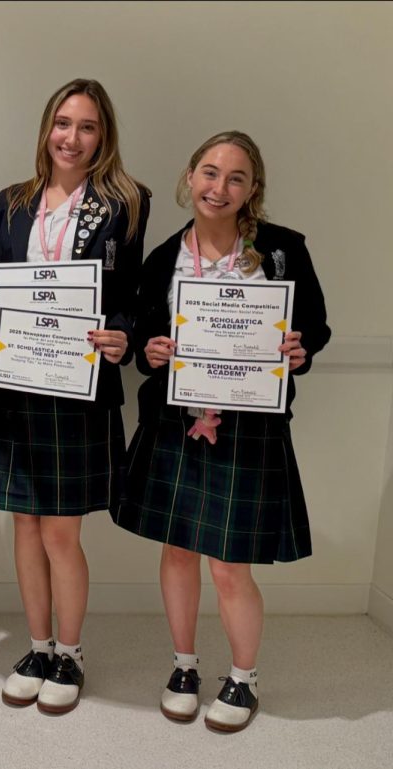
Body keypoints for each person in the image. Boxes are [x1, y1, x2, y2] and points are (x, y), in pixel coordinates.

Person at [113, 131, 329, 732]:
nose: (219, 187)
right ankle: (184, 666)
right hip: (175, 425)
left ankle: (242, 678)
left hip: (249, 426)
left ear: (252, 189)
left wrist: (298, 348)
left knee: (230, 565)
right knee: (178, 550)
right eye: (210, 173)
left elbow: (315, 327)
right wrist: (151, 352)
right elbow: (145, 345)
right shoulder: (163, 258)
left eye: (235, 178)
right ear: (190, 177)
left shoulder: (283, 251)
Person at [0, 79, 150, 714]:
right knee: (25, 524)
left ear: (104, 135)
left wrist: (123, 334)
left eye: (88, 126)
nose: (72, 138)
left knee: (61, 534)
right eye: (63, 123)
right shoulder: (10, 203)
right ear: (47, 128)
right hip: (15, 382)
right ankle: (38, 644)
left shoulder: (126, 202)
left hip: (77, 387)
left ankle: (70, 653)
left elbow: (130, 297)